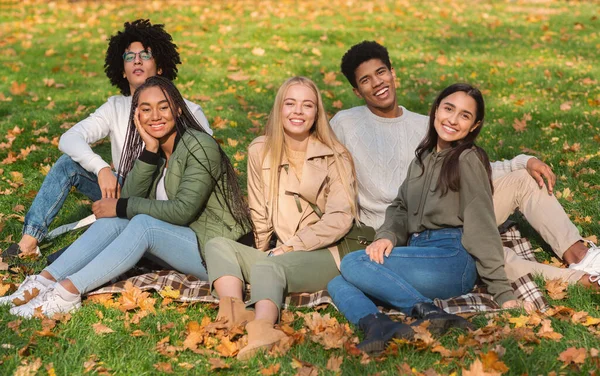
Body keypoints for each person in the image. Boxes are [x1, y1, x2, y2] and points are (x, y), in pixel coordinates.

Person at [330, 41, 599, 290]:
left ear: (393, 72)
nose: (378, 83)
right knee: (481, 250)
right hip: (405, 228)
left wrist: (523, 161)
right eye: (366, 80)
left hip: (451, 205)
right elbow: (320, 168)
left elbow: (469, 165)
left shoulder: (428, 123)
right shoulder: (344, 124)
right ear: (356, 90)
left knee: (524, 179)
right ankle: (580, 281)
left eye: (381, 72)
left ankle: (581, 254)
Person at [2, 76, 250, 318]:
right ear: (137, 116)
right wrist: (149, 152)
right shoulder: (159, 150)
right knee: (117, 219)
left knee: (142, 224)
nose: (155, 116)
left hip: (216, 252)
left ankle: (68, 293)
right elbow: (128, 202)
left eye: (163, 107)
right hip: (183, 240)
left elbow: (182, 210)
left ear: (178, 110)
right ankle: (44, 281)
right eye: (146, 109)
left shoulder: (199, 145)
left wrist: (123, 207)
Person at [328, 83, 530, 355]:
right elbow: (400, 206)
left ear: (474, 125)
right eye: (448, 109)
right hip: (417, 254)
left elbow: (481, 223)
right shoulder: (421, 158)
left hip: (450, 260)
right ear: (436, 110)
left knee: (354, 262)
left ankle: (427, 312)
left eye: (464, 115)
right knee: (337, 280)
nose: (453, 120)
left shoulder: (468, 159)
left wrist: (503, 293)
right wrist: (387, 235)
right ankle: (378, 326)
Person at [3, 19, 212, 260]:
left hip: (166, 199)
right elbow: (69, 138)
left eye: (145, 55)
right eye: (129, 56)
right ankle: (28, 242)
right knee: (67, 164)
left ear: (160, 66)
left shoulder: (187, 111)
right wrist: (101, 168)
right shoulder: (115, 107)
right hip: (123, 188)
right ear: (122, 70)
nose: (136, 60)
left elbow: (204, 170)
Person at [203, 76, 358, 361]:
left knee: (268, 269)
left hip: (328, 252)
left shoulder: (336, 156)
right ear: (279, 109)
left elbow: (340, 218)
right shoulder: (260, 150)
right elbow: (260, 215)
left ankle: (263, 331)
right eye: (290, 103)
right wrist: (259, 252)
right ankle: (234, 314)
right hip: (284, 251)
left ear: (317, 113)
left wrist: (289, 247)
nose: (298, 111)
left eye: (307, 105)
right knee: (217, 245)